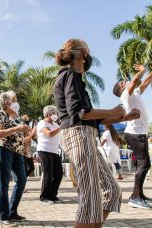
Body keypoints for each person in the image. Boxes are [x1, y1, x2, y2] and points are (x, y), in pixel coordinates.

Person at [53, 38, 140, 228]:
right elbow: (78, 113)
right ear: (82, 55)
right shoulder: (70, 75)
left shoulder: (74, 79)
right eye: (89, 52)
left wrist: (123, 117)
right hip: (78, 135)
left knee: (111, 190)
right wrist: (111, 112)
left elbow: (91, 118)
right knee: (90, 196)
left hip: (86, 135)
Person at [113, 64, 152, 209]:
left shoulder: (134, 93)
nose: (125, 81)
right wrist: (141, 71)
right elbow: (135, 80)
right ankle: (135, 197)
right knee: (144, 164)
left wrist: (149, 73)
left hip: (139, 134)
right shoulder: (125, 95)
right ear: (121, 89)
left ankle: (139, 194)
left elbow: (146, 82)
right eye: (122, 83)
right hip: (135, 134)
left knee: (143, 164)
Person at [0, 90, 30, 225]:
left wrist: (26, 131)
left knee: (21, 180)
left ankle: (12, 212)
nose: (16, 102)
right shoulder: (0, 114)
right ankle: (4, 216)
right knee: (3, 183)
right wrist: (16, 129)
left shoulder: (18, 116)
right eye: (14, 99)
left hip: (18, 152)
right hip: (3, 149)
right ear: (7, 102)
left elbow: (20, 134)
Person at [37, 105, 63, 203]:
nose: (56, 115)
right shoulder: (42, 123)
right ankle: (44, 196)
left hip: (54, 151)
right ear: (48, 114)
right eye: (54, 113)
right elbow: (49, 133)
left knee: (59, 174)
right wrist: (61, 127)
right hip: (44, 150)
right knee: (48, 173)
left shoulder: (56, 125)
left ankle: (52, 195)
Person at [21, 114, 36, 179]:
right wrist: (32, 134)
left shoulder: (28, 127)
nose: (27, 120)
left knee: (32, 167)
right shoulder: (21, 128)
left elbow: (34, 138)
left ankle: (22, 179)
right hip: (23, 151)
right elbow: (23, 141)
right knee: (24, 168)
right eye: (25, 119)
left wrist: (34, 132)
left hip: (29, 151)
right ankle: (22, 182)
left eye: (27, 119)